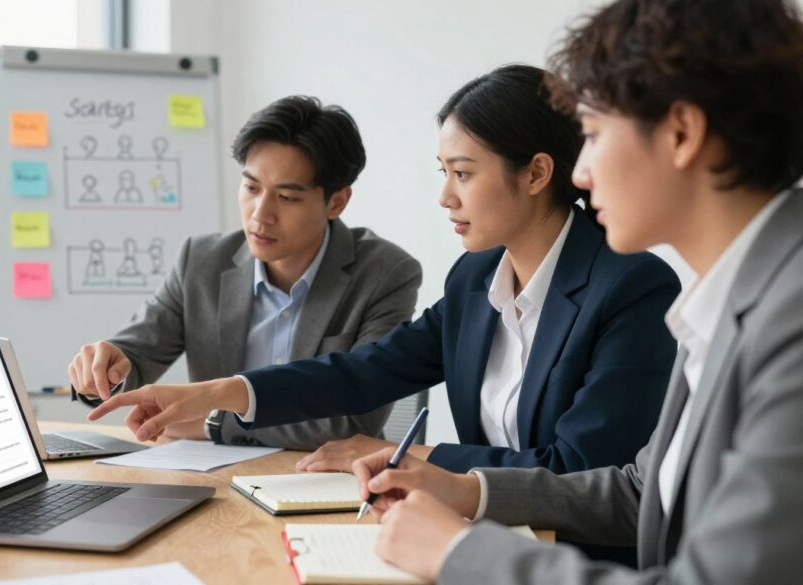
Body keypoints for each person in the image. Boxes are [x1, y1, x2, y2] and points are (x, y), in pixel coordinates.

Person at [348, 0, 803, 583]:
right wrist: (469, 490)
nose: (580, 173)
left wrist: (457, 554)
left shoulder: (788, 319)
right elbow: (642, 491)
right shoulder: (733, 297)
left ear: (683, 133)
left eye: (591, 135)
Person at [87, 66, 680, 485]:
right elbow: (366, 371)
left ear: (536, 173)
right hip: (480, 530)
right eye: (442, 171)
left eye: (464, 174)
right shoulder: (476, 279)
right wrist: (219, 393)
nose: (445, 197)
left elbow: (578, 469)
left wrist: (408, 456)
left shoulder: (631, 287)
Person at [67, 95, 422, 450]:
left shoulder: (385, 274)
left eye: (286, 198)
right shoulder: (202, 260)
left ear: (336, 202)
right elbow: (139, 351)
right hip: (214, 477)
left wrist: (213, 422)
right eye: (251, 188)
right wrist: (108, 368)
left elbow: (351, 420)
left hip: (326, 482)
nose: (260, 215)